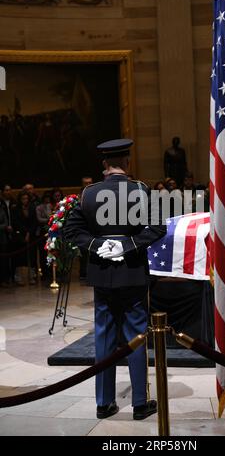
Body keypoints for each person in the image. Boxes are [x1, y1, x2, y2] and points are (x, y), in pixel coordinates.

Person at [64, 139, 166, 420]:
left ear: (104, 165)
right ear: (128, 164)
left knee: (104, 336)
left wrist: (100, 246)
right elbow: (158, 228)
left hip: (103, 275)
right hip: (132, 272)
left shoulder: (88, 193)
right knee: (136, 335)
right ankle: (139, 403)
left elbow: (72, 230)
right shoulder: (142, 190)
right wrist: (127, 245)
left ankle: (104, 403)